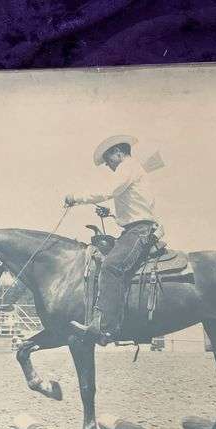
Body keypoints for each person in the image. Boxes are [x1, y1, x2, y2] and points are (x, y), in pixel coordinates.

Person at [64, 135, 163, 345]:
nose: (108, 165)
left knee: (111, 266)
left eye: (108, 159)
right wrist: (111, 213)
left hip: (139, 230)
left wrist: (76, 197)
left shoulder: (127, 167)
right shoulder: (133, 169)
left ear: (118, 152)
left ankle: (106, 328)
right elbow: (136, 207)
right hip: (134, 228)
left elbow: (107, 191)